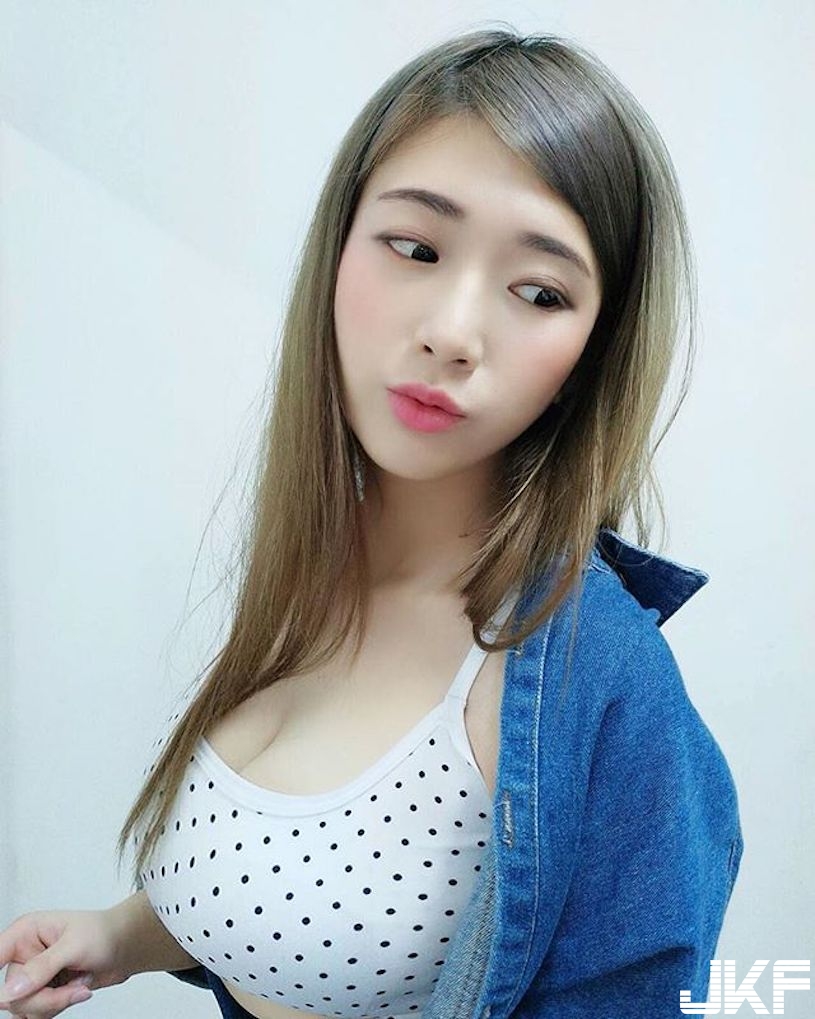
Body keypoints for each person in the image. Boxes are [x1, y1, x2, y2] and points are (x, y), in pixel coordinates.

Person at [0, 25, 743, 1019]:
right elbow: (303, 885)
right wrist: (120, 935)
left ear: (590, 354)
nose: (451, 330)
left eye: (537, 291)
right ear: (337, 250)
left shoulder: (599, 685)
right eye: (415, 247)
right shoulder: (318, 566)